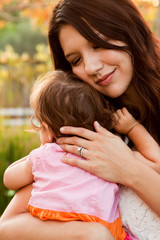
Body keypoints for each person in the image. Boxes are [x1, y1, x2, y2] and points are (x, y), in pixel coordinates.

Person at [0, 0, 160, 239]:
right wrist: (90, 233)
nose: (92, 67)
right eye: (75, 60)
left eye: (97, 44)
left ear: (128, 29)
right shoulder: (86, 128)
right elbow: (6, 226)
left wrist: (128, 168)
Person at [3, 70, 136, 240]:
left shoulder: (45, 156)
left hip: (54, 224)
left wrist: (36, 154)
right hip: (108, 228)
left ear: (48, 130)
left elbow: (10, 180)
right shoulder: (106, 154)